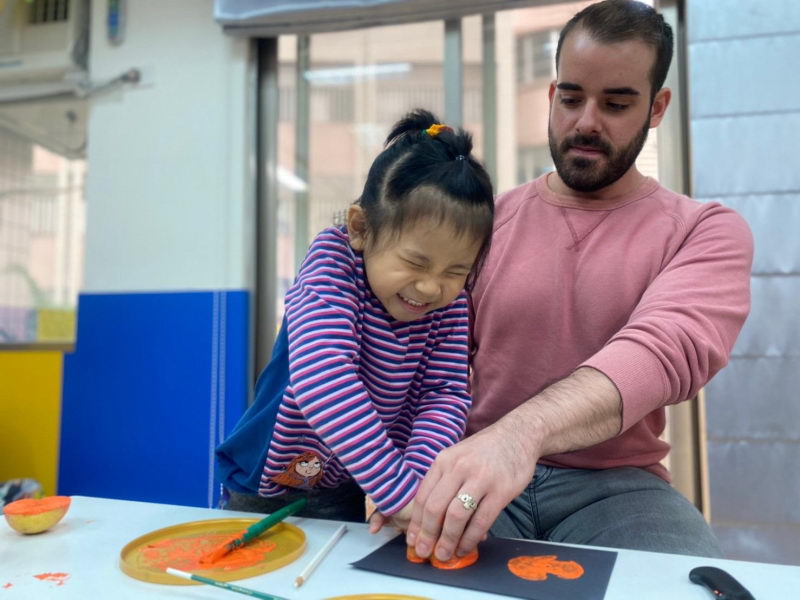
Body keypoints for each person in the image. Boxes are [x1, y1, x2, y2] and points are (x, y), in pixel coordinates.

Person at [405, 0, 753, 561]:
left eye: (616, 103)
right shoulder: (485, 223)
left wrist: (519, 435)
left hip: (617, 488)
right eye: (571, 98)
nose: (587, 122)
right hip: (475, 468)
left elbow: (662, 350)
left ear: (657, 107)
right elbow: (421, 358)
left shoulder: (704, 230)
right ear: (551, 96)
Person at [215, 109, 495, 526]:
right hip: (267, 479)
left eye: (456, 271)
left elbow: (444, 395)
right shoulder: (332, 268)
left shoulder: (449, 305)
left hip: (347, 482)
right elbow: (323, 377)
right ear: (361, 228)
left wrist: (416, 487)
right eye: (415, 262)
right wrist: (398, 492)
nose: (430, 287)